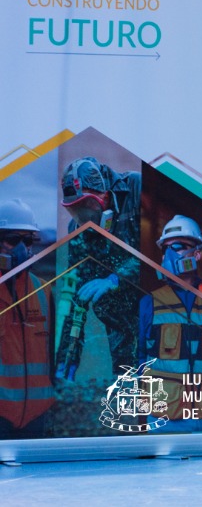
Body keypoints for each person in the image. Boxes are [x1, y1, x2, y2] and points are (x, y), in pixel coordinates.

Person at [56, 155, 142, 380]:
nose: (83, 217)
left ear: (105, 193)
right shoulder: (78, 230)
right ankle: (124, 374)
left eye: (87, 206)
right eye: (76, 210)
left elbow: (159, 251)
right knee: (103, 301)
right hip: (122, 312)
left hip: (154, 296)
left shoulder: (135, 189)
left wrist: (115, 279)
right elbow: (75, 295)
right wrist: (66, 359)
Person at [137, 214, 202, 432]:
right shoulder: (149, 303)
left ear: (197, 254)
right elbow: (139, 360)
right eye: (166, 249)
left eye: (179, 246)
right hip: (163, 418)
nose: (170, 254)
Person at [1, 199, 54, 435]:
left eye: (28, 240)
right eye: (13, 240)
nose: (22, 248)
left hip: (36, 418)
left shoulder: (44, 290)